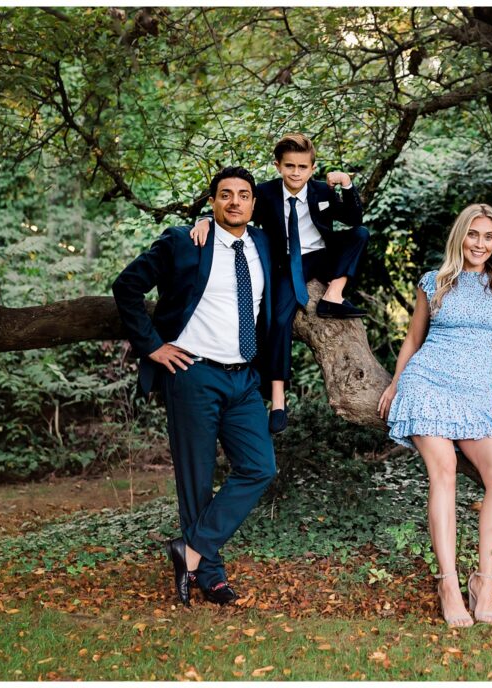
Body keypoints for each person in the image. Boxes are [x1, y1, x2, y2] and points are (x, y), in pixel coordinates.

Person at [113, 167, 276, 606]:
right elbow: (126, 287)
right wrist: (152, 347)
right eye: (226, 195)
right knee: (196, 480)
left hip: (244, 377)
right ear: (213, 201)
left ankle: (189, 550)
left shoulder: (262, 243)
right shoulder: (184, 241)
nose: (235, 202)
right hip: (193, 374)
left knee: (261, 467)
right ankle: (211, 576)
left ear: (254, 204)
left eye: (244, 195)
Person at [378, 203, 492, 627]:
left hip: (476, 395)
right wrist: (396, 382)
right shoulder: (435, 281)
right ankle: (448, 584)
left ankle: (485, 582)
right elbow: (414, 337)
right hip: (429, 383)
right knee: (445, 468)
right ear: (461, 236)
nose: (481, 243)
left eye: (489, 236)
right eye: (474, 234)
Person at [191, 133, 369, 436]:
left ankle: (334, 294)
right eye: (289, 166)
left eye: (302, 166)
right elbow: (235, 210)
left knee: (361, 234)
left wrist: (347, 185)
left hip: (321, 255)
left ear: (312, 168)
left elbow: (353, 217)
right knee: (279, 320)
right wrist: (205, 220)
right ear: (278, 166)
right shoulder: (265, 194)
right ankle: (277, 399)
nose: (296, 172)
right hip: (285, 262)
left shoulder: (322, 192)